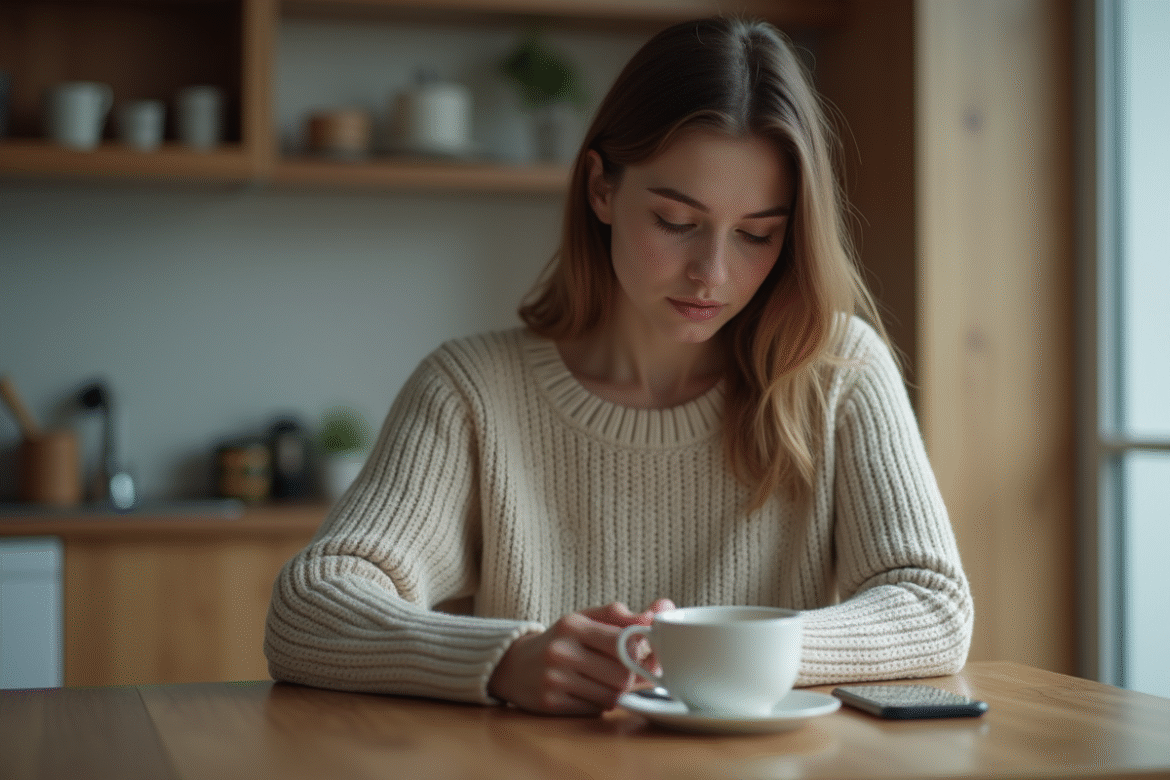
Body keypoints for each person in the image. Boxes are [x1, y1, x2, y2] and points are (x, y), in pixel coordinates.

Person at [265, 16, 973, 716]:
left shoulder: (838, 372)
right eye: (676, 222)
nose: (713, 273)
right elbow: (308, 611)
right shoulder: (471, 390)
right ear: (602, 187)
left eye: (757, 234)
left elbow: (935, 609)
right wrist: (503, 661)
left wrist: (714, 649)